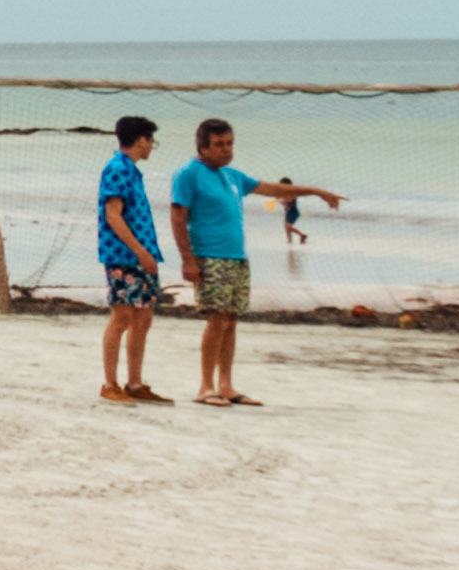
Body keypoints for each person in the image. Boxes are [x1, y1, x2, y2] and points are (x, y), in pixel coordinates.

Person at [169, 118, 339, 411]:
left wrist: (316, 191)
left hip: (237, 258)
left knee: (231, 320)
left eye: (230, 143)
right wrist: (187, 259)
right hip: (210, 257)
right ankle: (205, 386)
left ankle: (226, 385)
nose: (226, 149)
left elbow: (274, 191)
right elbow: (177, 218)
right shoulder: (188, 174)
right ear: (203, 147)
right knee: (217, 318)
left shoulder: (232, 175)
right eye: (219, 144)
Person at [94, 115, 168, 400]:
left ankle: (135, 383)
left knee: (143, 317)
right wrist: (139, 251)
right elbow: (113, 215)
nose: (152, 147)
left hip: (141, 254)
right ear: (142, 140)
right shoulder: (117, 169)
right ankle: (110, 385)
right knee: (122, 316)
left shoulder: (131, 170)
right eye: (152, 141)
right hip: (123, 255)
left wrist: (146, 253)